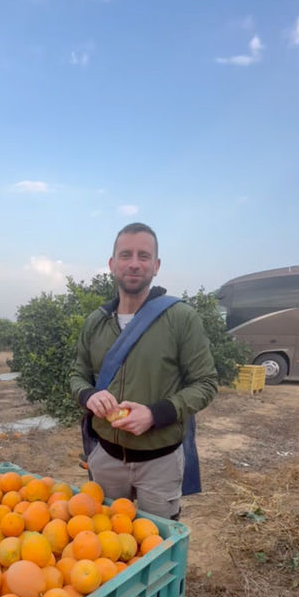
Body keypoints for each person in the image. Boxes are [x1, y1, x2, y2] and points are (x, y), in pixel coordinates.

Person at [69, 222, 218, 519]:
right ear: (112, 264)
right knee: (107, 543)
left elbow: (206, 383)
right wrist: (88, 395)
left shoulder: (181, 318)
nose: (134, 264)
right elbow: (77, 375)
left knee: (157, 544)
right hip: (106, 458)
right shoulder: (96, 322)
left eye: (143, 256)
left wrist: (154, 414)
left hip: (160, 461)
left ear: (156, 265)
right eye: (126, 255)